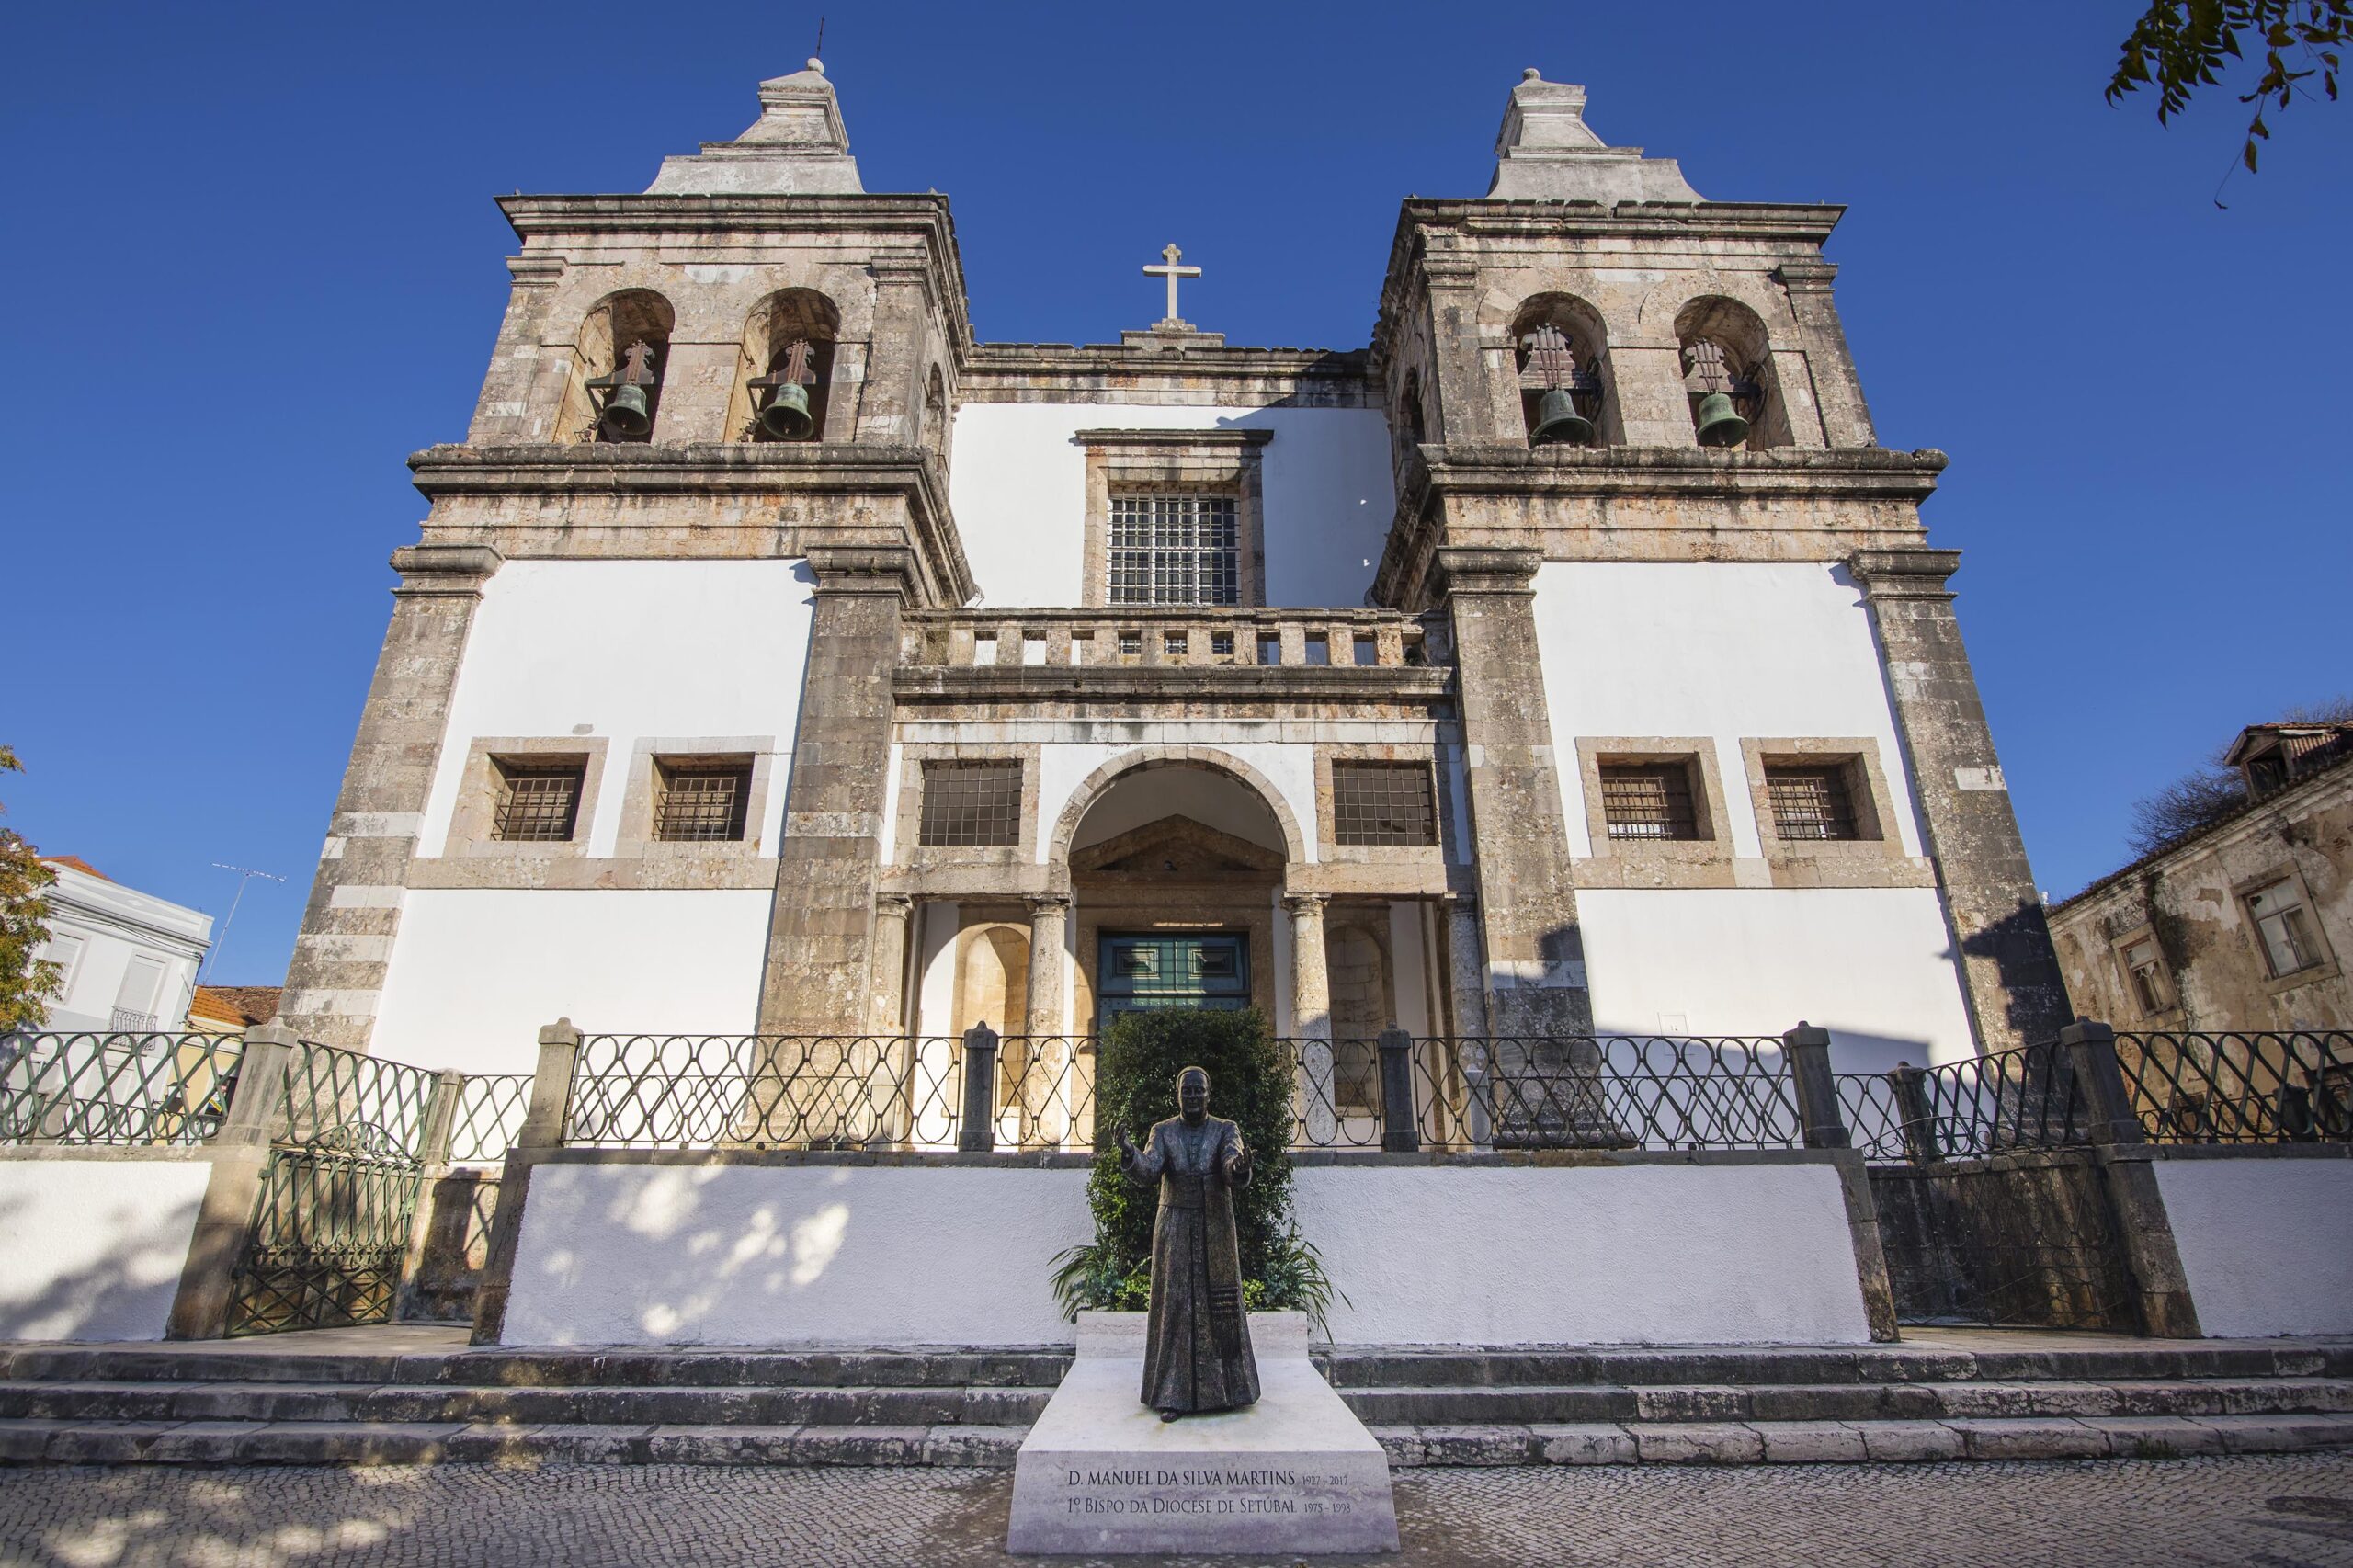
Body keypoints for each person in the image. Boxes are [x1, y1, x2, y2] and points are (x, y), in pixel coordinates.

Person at [1117, 1065, 1260, 1419]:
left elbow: (1230, 1164)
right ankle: (1171, 1395)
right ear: (1177, 1094)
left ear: (1209, 1094)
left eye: (1199, 1091)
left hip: (1214, 1225)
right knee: (1175, 1307)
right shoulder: (1162, 1131)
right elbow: (1150, 1170)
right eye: (1187, 1091)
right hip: (1175, 1226)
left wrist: (1239, 1167)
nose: (1193, 1097)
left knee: (1220, 1306)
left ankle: (1228, 1391)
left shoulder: (1226, 1129)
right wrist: (1129, 1152)